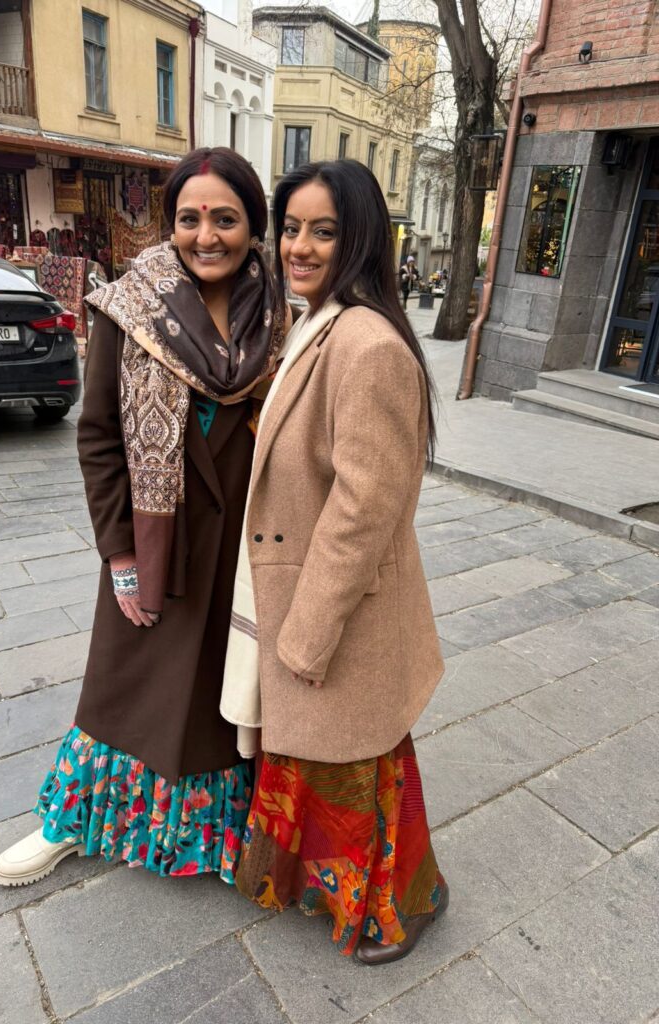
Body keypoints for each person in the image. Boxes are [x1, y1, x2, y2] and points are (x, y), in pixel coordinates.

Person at [0, 148, 285, 887]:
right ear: (170, 224)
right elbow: (97, 438)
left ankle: (211, 837)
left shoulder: (280, 317)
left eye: (226, 219)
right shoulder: (128, 308)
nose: (206, 235)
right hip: (155, 539)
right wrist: (121, 554)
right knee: (120, 688)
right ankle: (72, 822)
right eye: (190, 218)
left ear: (254, 226)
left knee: (215, 700)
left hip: (239, 549)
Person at [222, 159, 448, 963]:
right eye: (291, 229)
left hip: (341, 610)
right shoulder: (319, 321)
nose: (299, 247)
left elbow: (365, 510)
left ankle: (400, 909)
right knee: (326, 758)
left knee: (358, 764)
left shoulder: (367, 344)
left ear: (360, 239)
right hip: (308, 594)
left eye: (324, 231)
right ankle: (336, 891)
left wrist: (309, 632)